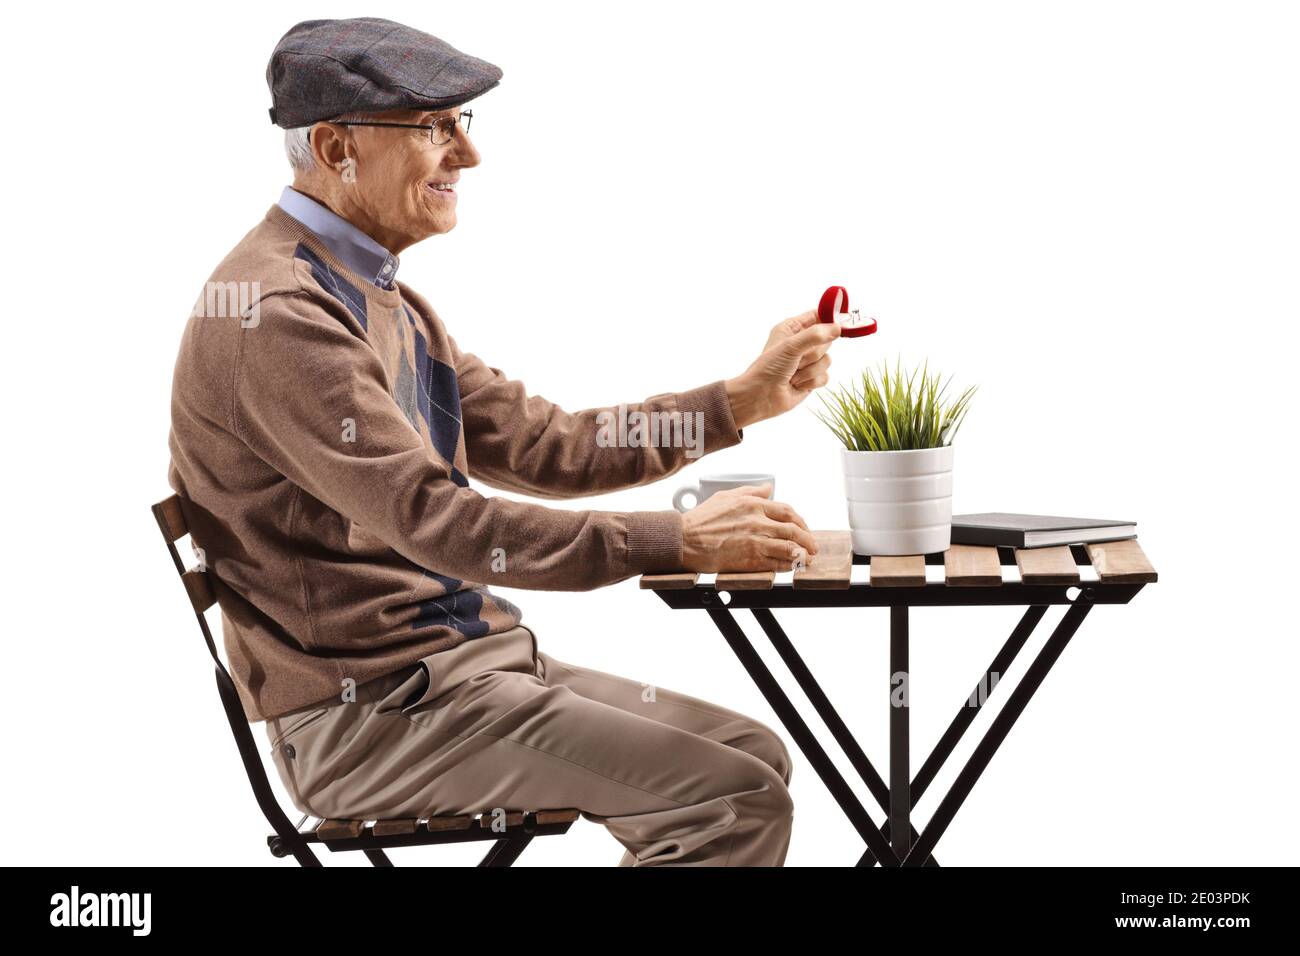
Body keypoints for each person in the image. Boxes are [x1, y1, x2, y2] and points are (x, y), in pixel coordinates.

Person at [168, 17, 839, 866]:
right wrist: (671, 538)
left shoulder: (382, 298)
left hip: (465, 671)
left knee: (753, 761)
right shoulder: (278, 312)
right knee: (731, 801)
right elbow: (440, 522)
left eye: (462, 124)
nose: (467, 155)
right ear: (337, 147)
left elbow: (547, 445)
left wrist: (734, 401)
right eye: (433, 128)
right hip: (371, 717)